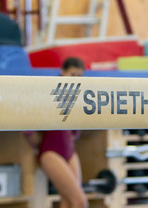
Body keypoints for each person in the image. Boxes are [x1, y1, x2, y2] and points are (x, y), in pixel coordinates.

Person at [24, 57, 87, 208]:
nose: (76, 79)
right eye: (73, 75)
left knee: (67, 201)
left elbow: (74, 132)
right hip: (51, 152)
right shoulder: (51, 91)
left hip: (69, 151)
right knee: (80, 202)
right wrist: (33, 138)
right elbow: (28, 125)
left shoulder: (77, 96)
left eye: (79, 76)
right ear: (62, 72)